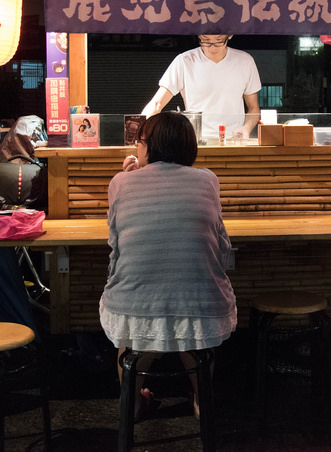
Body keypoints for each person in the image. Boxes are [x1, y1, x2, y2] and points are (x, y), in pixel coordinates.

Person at [100, 112, 237, 417]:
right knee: (195, 330)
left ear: (147, 145)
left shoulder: (120, 184)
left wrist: (129, 177)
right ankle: (202, 402)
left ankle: (132, 405)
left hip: (131, 307)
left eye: (140, 142)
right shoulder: (207, 180)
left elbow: (115, 245)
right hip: (201, 305)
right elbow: (222, 246)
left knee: (132, 340)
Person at [141, 34, 261, 139]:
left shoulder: (245, 61)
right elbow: (157, 104)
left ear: (229, 35)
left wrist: (246, 128)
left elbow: (253, 108)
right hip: (194, 140)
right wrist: (139, 133)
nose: (212, 46)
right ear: (198, 36)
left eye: (219, 40)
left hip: (233, 139)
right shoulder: (184, 61)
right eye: (206, 40)